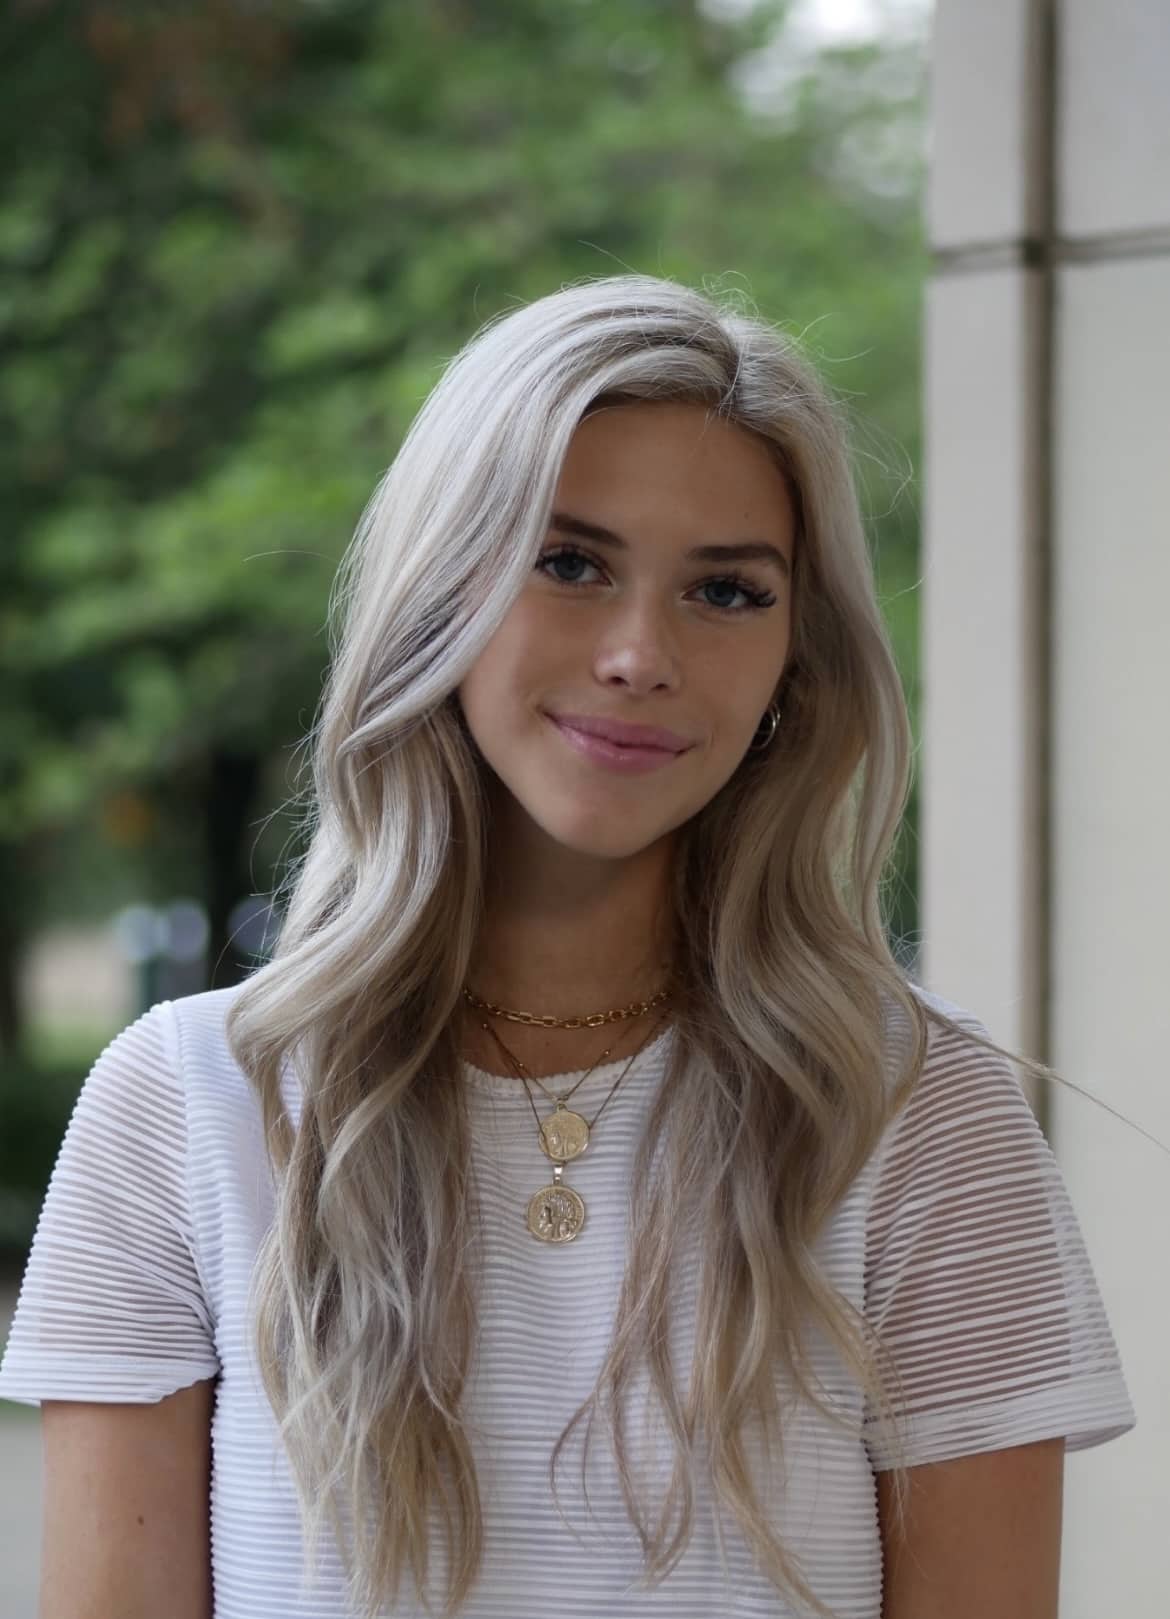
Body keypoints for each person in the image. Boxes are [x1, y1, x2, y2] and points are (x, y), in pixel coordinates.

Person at [0, 274, 1136, 1619]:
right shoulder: (186, 1107)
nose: (640, 654)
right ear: (441, 590)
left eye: (726, 591)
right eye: (570, 563)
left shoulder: (915, 1111)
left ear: (796, 661)